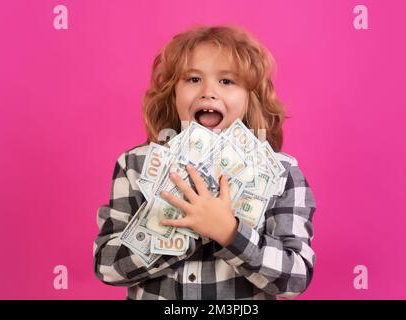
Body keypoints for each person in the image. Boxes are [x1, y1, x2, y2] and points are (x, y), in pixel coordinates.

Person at [94, 25, 317, 300]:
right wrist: (183, 232)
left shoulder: (281, 174)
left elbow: (294, 278)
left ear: (250, 98)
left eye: (226, 81)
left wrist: (229, 233)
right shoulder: (136, 165)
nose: (208, 92)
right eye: (193, 79)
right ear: (173, 94)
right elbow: (107, 266)